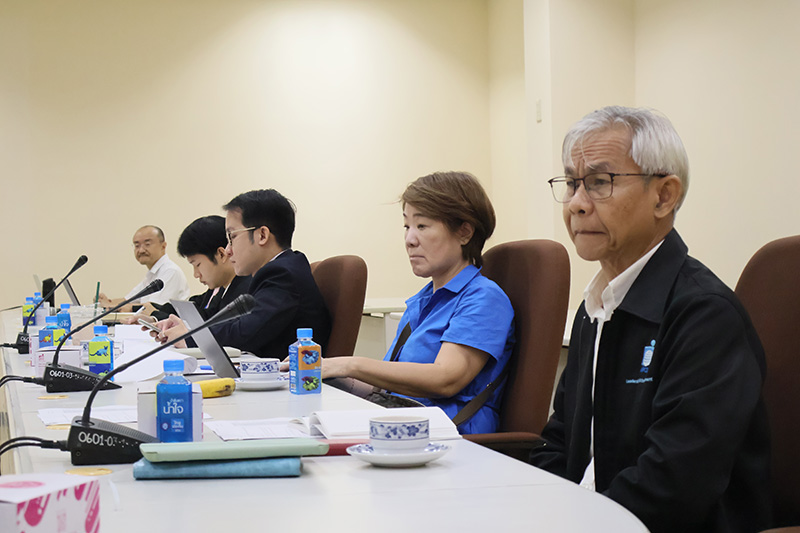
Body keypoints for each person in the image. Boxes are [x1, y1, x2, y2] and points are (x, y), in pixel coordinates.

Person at [530, 106, 771, 532]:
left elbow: (674, 485)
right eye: (571, 183)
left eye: (600, 183)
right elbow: (560, 441)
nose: (577, 205)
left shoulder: (704, 315)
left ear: (664, 196)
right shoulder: (596, 308)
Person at [322, 172, 515, 435]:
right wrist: (323, 374)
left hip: (453, 440)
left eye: (422, 226)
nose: (410, 240)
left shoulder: (484, 298)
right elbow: (386, 389)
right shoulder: (425, 300)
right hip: (405, 425)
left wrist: (349, 364)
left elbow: (446, 379)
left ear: (464, 232)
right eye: (406, 227)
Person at [156, 189, 331, 358]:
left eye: (232, 237)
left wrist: (189, 337)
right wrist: (186, 328)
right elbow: (236, 324)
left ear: (262, 235)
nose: (228, 250)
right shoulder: (278, 270)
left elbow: (247, 331)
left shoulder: (282, 274)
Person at [149, 215, 251, 321]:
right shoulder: (222, 287)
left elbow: (212, 327)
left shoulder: (246, 291)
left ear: (221, 254)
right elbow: (200, 309)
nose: (196, 274)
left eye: (197, 265)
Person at [97, 225, 190, 313]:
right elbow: (128, 300)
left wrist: (111, 306)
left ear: (163, 246)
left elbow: (152, 308)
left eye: (147, 244)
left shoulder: (170, 271)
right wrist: (106, 302)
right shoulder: (152, 274)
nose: (141, 250)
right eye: (137, 245)